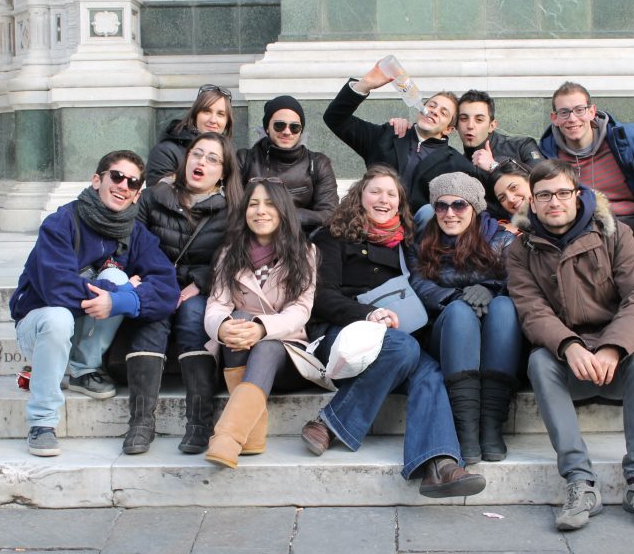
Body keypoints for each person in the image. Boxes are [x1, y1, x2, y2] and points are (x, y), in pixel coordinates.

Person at [299, 165, 486, 498]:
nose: (383, 199)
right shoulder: (332, 236)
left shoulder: (405, 242)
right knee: (405, 349)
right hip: (342, 333)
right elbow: (322, 297)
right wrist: (367, 314)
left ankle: (440, 465)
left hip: (396, 340)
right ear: (359, 196)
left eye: (391, 194)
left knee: (429, 370)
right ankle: (332, 421)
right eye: (375, 191)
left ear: (400, 203)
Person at [508, 159, 634, 531]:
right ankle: (579, 481)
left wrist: (613, 347)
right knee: (539, 362)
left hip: (617, 362)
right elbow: (531, 310)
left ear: (578, 195)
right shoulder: (520, 250)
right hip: (570, 363)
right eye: (544, 195)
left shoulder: (615, 233)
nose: (554, 202)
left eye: (563, 193)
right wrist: (569, 345)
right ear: (532, 203)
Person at [9, 150, 179, 457]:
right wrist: (116, 293)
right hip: (39, 327)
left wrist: (120, 299)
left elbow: (167, 289)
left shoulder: (135, 233)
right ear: (97, 180)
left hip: (83, 330)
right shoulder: (61, 223)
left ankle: (83, 368)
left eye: (132, 182)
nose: (123, 185)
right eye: (117, 176)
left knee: (116, 278)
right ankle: (42, 422)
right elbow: (57, 289)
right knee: (61, 316)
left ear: (137, 194)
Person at [128, 132, 243, 455]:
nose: (201, 162)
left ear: (223, 172)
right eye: (197, 154)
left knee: (194, 318)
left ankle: (199, 423)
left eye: (212, 159)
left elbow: (234, 257)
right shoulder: (153, 197)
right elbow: (135, 243)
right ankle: (140, 423)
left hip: (201, 287)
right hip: (157, 282)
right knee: (151, 320)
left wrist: (200, 283)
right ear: (186, 159)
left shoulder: (233, 208)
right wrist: (159, 283)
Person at [203, 178, 318, 468]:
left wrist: (262, 328)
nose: (260, 211)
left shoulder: (305, 252)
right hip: (239, 349)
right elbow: (216, 304)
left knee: (266, 345)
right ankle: (251, 437)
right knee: (236, 319)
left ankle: (228, 436)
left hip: (287, 356)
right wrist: (222, 327)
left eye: (269, 204)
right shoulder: (230, 253)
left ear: (283, 210)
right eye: (253, 204)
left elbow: (300, 310)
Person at [410, 172, 522, 464]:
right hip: (447, 331)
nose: (449, 213)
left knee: (504, 307)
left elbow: (520, 282)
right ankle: (466, 428)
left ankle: (491, 425)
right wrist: (456, 297)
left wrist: (490, 289)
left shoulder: (503, 239)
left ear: (475, 207)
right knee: (460, 312)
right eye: (441, 205)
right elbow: (419, 284)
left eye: (459, 205)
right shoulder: (422, 241)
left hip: (496, 332)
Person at [538, 82, 634, 293]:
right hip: (591, 234)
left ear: (592, 112)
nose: (572, 118)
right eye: (564, 112)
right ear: (554, 118)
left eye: (579, 110)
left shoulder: (626, 139)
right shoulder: (546, 155)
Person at [323, 61, 475, 211]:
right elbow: (335, 119)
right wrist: (365, 85)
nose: (434, 111)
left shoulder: (456, 164)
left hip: (420, 225)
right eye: (431, 105)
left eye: (443, 112)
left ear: (449, 129)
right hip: (373, 219)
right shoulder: (386, 136)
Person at [237, 95, 339, 235]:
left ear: (301, 131)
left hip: (300, 239)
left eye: (294, 127)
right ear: (267, 127)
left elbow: (329, 213)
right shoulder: (244, 159)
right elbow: (233, 206)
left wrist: (280, 215)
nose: (287, 131)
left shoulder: (318, 163)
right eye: (279, 125)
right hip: (252, 237)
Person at [146, 84, 234, 187]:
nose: (213, 120)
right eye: (207, 111)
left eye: (220, 114)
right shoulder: (166, 152)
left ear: (227, 122)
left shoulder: (229, 156)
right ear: (195, 115)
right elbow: (158, 194)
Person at [491, 159, 533, 235]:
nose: (510, 199)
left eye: (514, 187)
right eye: (502, 198)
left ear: (530, 181)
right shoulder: (510, 235)